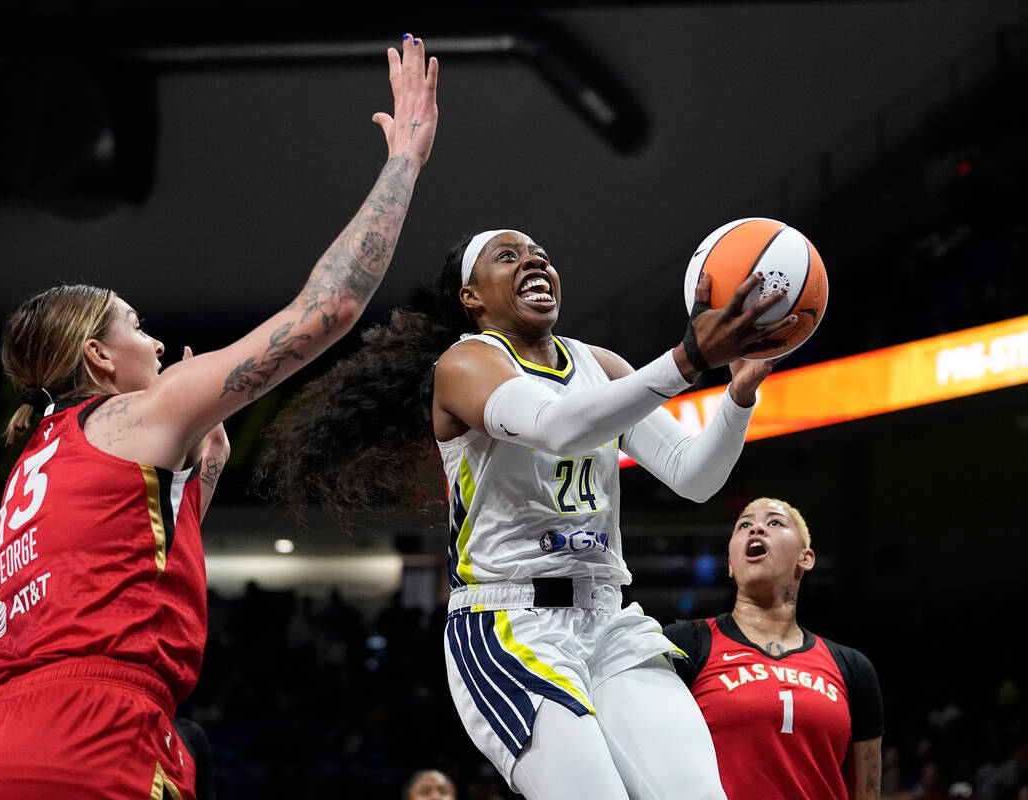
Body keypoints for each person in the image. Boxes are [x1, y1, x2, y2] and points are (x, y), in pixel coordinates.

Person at [0, 34, 438, 800]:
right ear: (98, 359)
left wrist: (207, 441)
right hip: (91, 734)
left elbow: (153, 545)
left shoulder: (33, 460)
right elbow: (329, 309)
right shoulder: (136, 415)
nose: (159, 341)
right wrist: (403, 161)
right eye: (137, 327)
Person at [261, 228, 799, 798]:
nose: (534, 261)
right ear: (472, 297)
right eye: (508, 256)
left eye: (541, 255)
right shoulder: (466, 363)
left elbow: (693, 477)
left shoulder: (601, 365)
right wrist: (687, 359)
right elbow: (556, 429)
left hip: (608, 620)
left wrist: (738, 399)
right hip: (508, 626)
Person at [664, 497, 884, 800]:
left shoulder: (852, 668)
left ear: (805, 558)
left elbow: (867, 792)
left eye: (774, 522)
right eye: (744, 525)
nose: (756, 529)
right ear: (730, 564)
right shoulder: (684, 643)